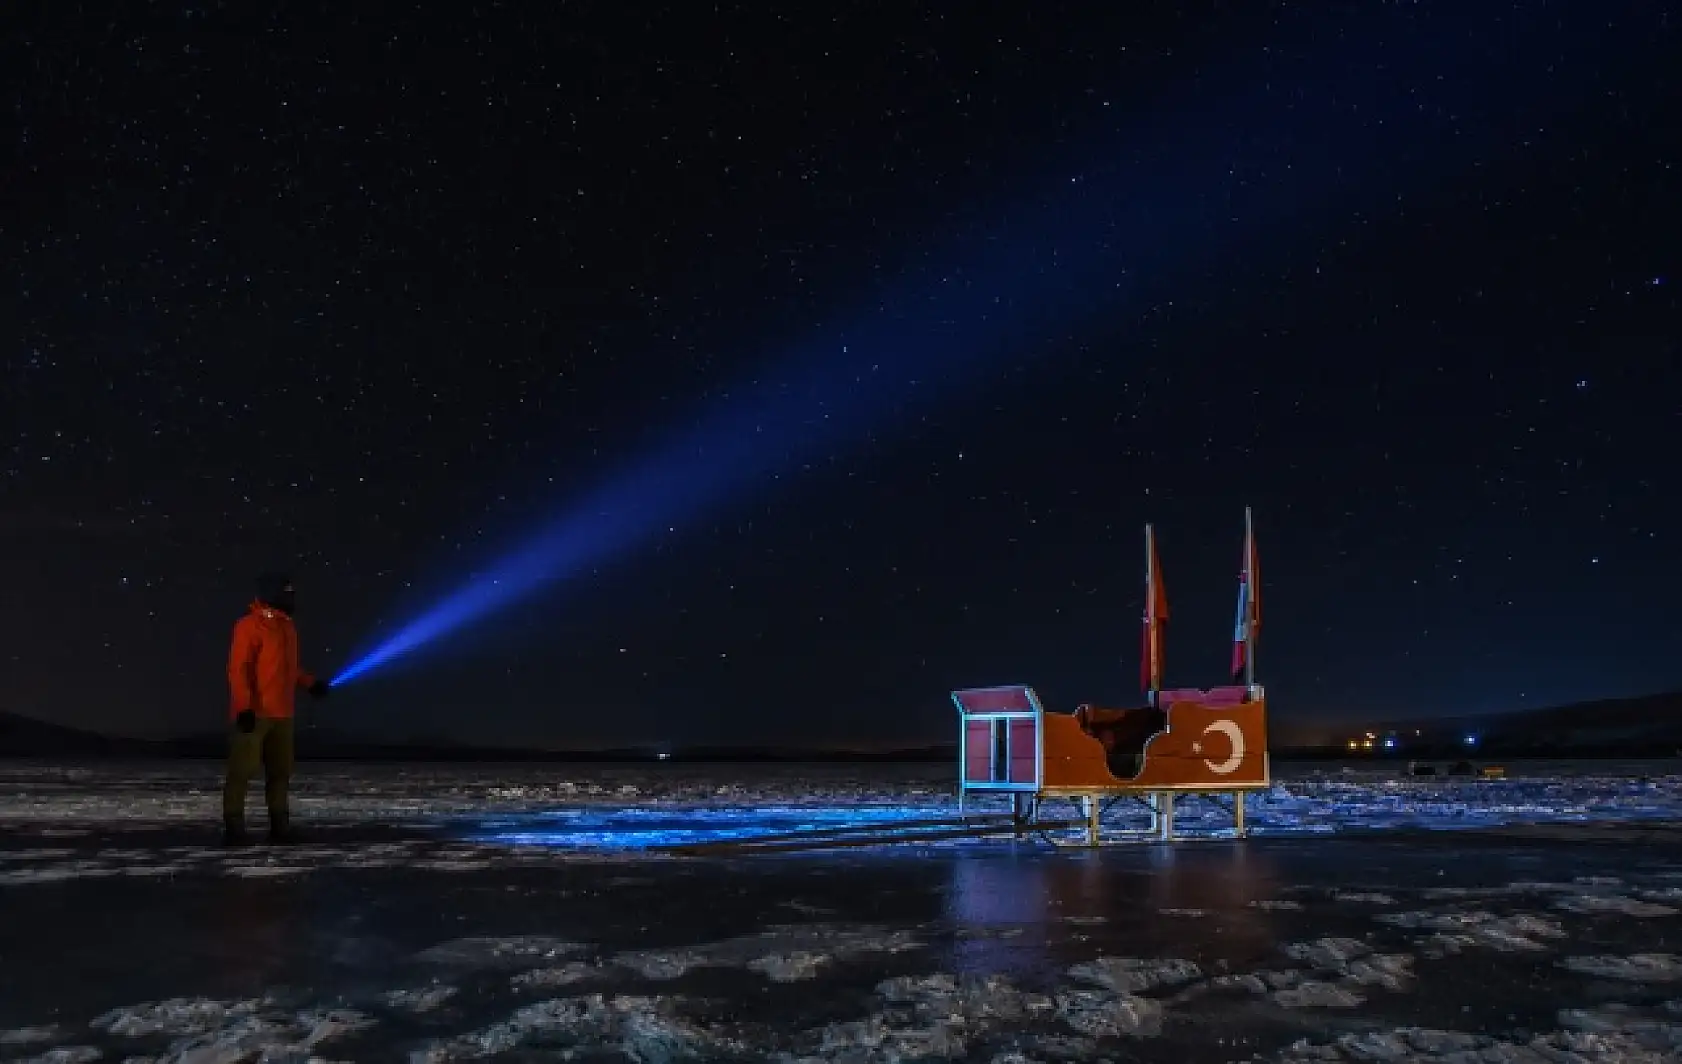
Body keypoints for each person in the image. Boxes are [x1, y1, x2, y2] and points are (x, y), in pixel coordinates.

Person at [224, 572, 330, 845]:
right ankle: (234, 827)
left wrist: (310, 683)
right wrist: (244, 708)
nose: (292, 598)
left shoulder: (287, 628)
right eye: (287, 593)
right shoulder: (249, 625)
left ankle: (280, 826)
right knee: (243, 770)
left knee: (281, 771)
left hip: (283, 714)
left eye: (292, 593)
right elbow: (239, 669)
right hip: (255, 714)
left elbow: (287, 670)